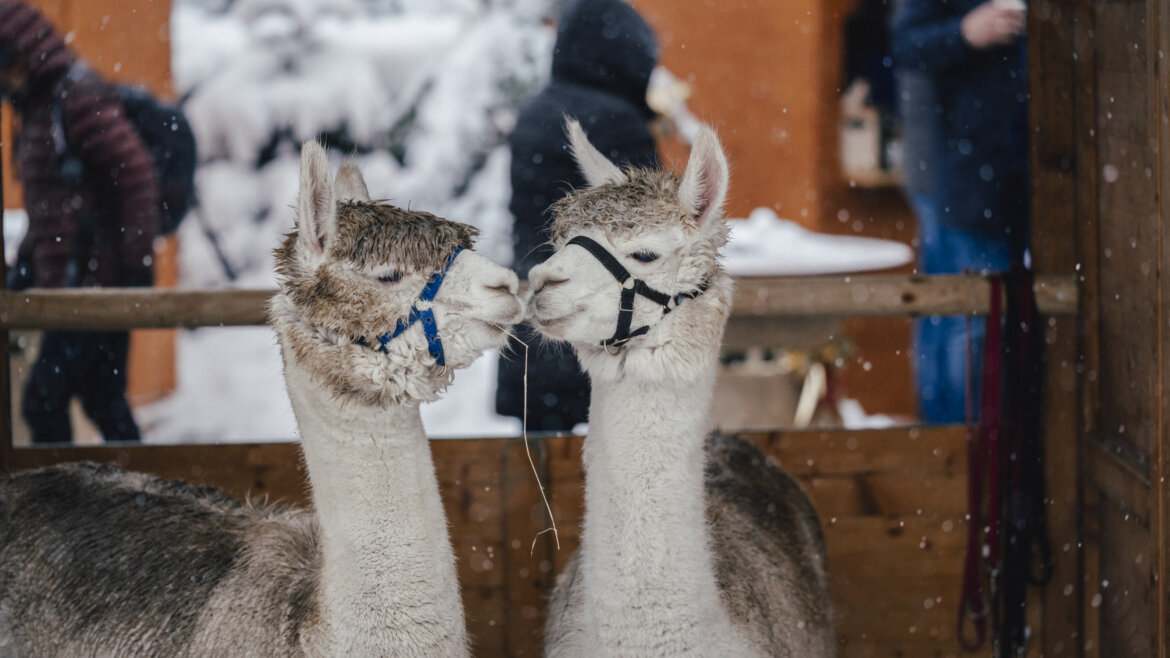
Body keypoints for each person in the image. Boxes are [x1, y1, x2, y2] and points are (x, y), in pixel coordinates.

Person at [496, 0, 660, 432]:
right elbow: (651, 230)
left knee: (545, 480)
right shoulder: (617, 124)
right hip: (597, 333)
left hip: (537, 320)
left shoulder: (536, 111)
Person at [0, 1, 160, 443]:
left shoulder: (77, 97)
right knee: (102, 399)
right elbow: (51, 205)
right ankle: (135, 501)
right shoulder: (37, 108)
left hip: (96, 285)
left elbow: (136, 175)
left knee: (43, 402)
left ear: (24, 54)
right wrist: (27, 266)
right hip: (73, 285)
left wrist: (133, 267)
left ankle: (72, 507)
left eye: (6, 65)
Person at [891, 0, 1029, 424]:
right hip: (962, 174)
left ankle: (958, 449)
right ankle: (957, 448)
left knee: (958, 318)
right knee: (965, 322)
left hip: (1002, 173)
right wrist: (965, 33)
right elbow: (906, 46)